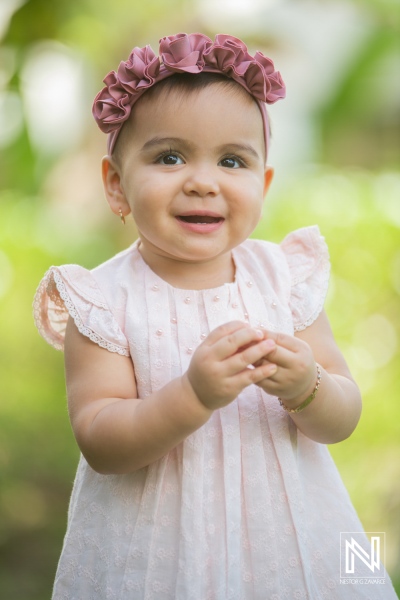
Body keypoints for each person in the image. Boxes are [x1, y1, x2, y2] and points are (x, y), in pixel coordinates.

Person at [33, 32, 397, 600]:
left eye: (232, 160)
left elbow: (342, 416)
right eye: (169, 156)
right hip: (154, 549)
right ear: (115, 184)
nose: (203, 181)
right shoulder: (102, 298)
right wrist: (193, 395)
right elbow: (101, 441)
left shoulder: (283, 278)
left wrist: (309, 387)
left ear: (263, 184)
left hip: (287, 542)